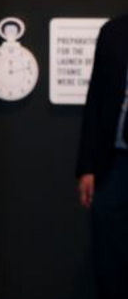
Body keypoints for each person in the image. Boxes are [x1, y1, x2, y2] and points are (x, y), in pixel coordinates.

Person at [77, 16, 128, 299]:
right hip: (115, 162)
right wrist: (87, 166)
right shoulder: (114, 32)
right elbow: (96, 98)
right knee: (109, 257)